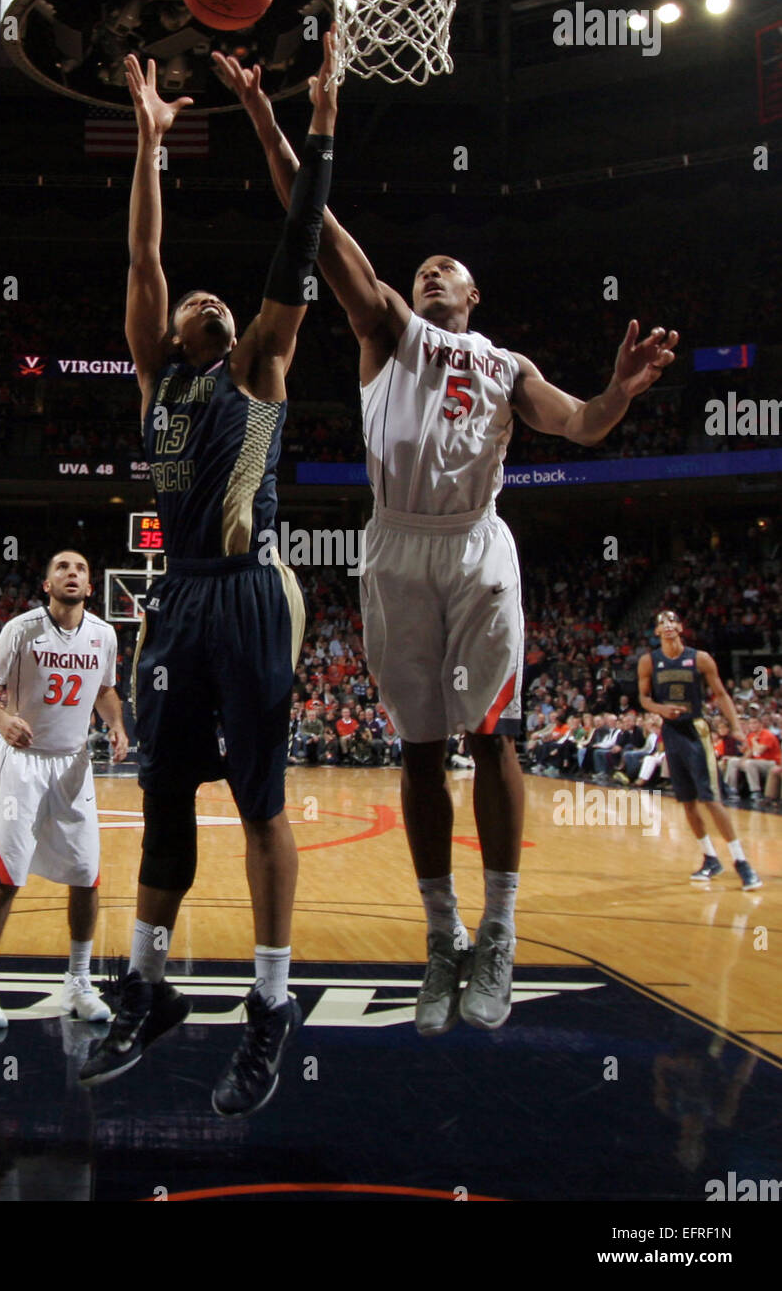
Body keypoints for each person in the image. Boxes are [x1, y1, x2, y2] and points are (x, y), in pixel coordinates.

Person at [219, 53, 679, 1034]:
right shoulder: (383, 325)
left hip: (475, 548)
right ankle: (441, 939)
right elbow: (312, 221)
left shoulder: (508, 366)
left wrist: (619, 392)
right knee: (419, 752)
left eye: (449, 267)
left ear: (470, 296)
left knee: (493, 734)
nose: (431, 267)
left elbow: (581, 425)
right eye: (422, 263)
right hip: (392, 549)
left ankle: (499, 931)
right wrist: (268, 118)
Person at [79, 37, 338, 1120]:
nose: (210, 299)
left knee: (262, 797)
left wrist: (314, 127)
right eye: (196, 300)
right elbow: (143, 259)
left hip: (250, 591)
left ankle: (269, 1005)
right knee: (165, 789)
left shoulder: (264, 361)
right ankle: (148, 982)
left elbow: (295, 243)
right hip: (175, 599)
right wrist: (147, 144)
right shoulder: (155, 376)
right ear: (173, 327)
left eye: (221, 301)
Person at [0, 552, 127, 1028]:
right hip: (24, 762)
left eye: (80, 569)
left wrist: (116, 725)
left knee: (86, 873)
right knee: (6, 872)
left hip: (74, 763)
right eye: (62, 568)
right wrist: (3, 720)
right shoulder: (21, 629)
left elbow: (105, 690)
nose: (72, 573)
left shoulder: (104, 634)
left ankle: (77, 982)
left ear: (91, 586)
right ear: (46, 583)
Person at [638, 611, 761, 889]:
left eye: (672, 621)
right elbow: (644, 698)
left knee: (710, 799)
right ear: (656, 631)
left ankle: (742, 862)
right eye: (661, 622)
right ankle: (710, 858)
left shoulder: (700, 658)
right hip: (671, 732)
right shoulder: (649, 661)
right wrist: (661, 710)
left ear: (680, 627)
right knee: (687, 801)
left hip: (696, 731)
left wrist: (737, 728)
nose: (668, 625)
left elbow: (721, 694)